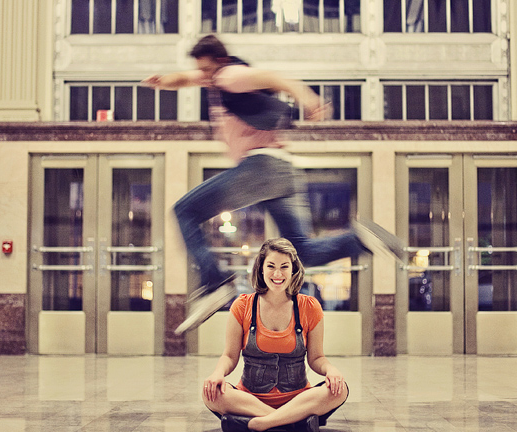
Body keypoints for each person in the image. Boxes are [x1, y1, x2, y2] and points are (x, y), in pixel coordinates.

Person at [142, 34, 405, 335]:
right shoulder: (213, 76)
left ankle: (214, 282)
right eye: (200, 71)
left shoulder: (230, 75)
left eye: (206, 70)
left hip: (260, 167)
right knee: (303, 251)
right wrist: (164, 81)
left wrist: (308, 98)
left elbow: (273, 77)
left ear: (220, 62)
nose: (202, 77)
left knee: (184, 210)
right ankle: (360, 239)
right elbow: (185, 79)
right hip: (282, 171)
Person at [202, 238, 347, 432]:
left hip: (298, 397)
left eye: (284, 267)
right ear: (261, 268)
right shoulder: (243, 305)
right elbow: (229, 356)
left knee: (340, 390)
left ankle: (261, 423)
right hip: (250, 398)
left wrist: (331, 370)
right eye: (271, 266)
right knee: (211, 394)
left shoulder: (309, 307)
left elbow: (316, 358)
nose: (277, 274)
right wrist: (217, 374)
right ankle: (293, 422)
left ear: (293, 270)